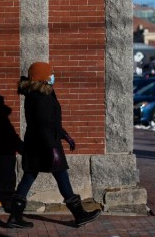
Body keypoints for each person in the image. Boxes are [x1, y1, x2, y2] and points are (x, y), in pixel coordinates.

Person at [8, 61, 101, 228]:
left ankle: (14, 217)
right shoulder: (40, 96)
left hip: (38, 143)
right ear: (43, 77)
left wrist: (65, 135)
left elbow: (52, 121)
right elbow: (44, 124)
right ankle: (79, 215)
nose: (53, 76)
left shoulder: (39, 93)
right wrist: (53, 148)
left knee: (29, 176)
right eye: (50, 73)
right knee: (61, 175)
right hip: (46, 144)